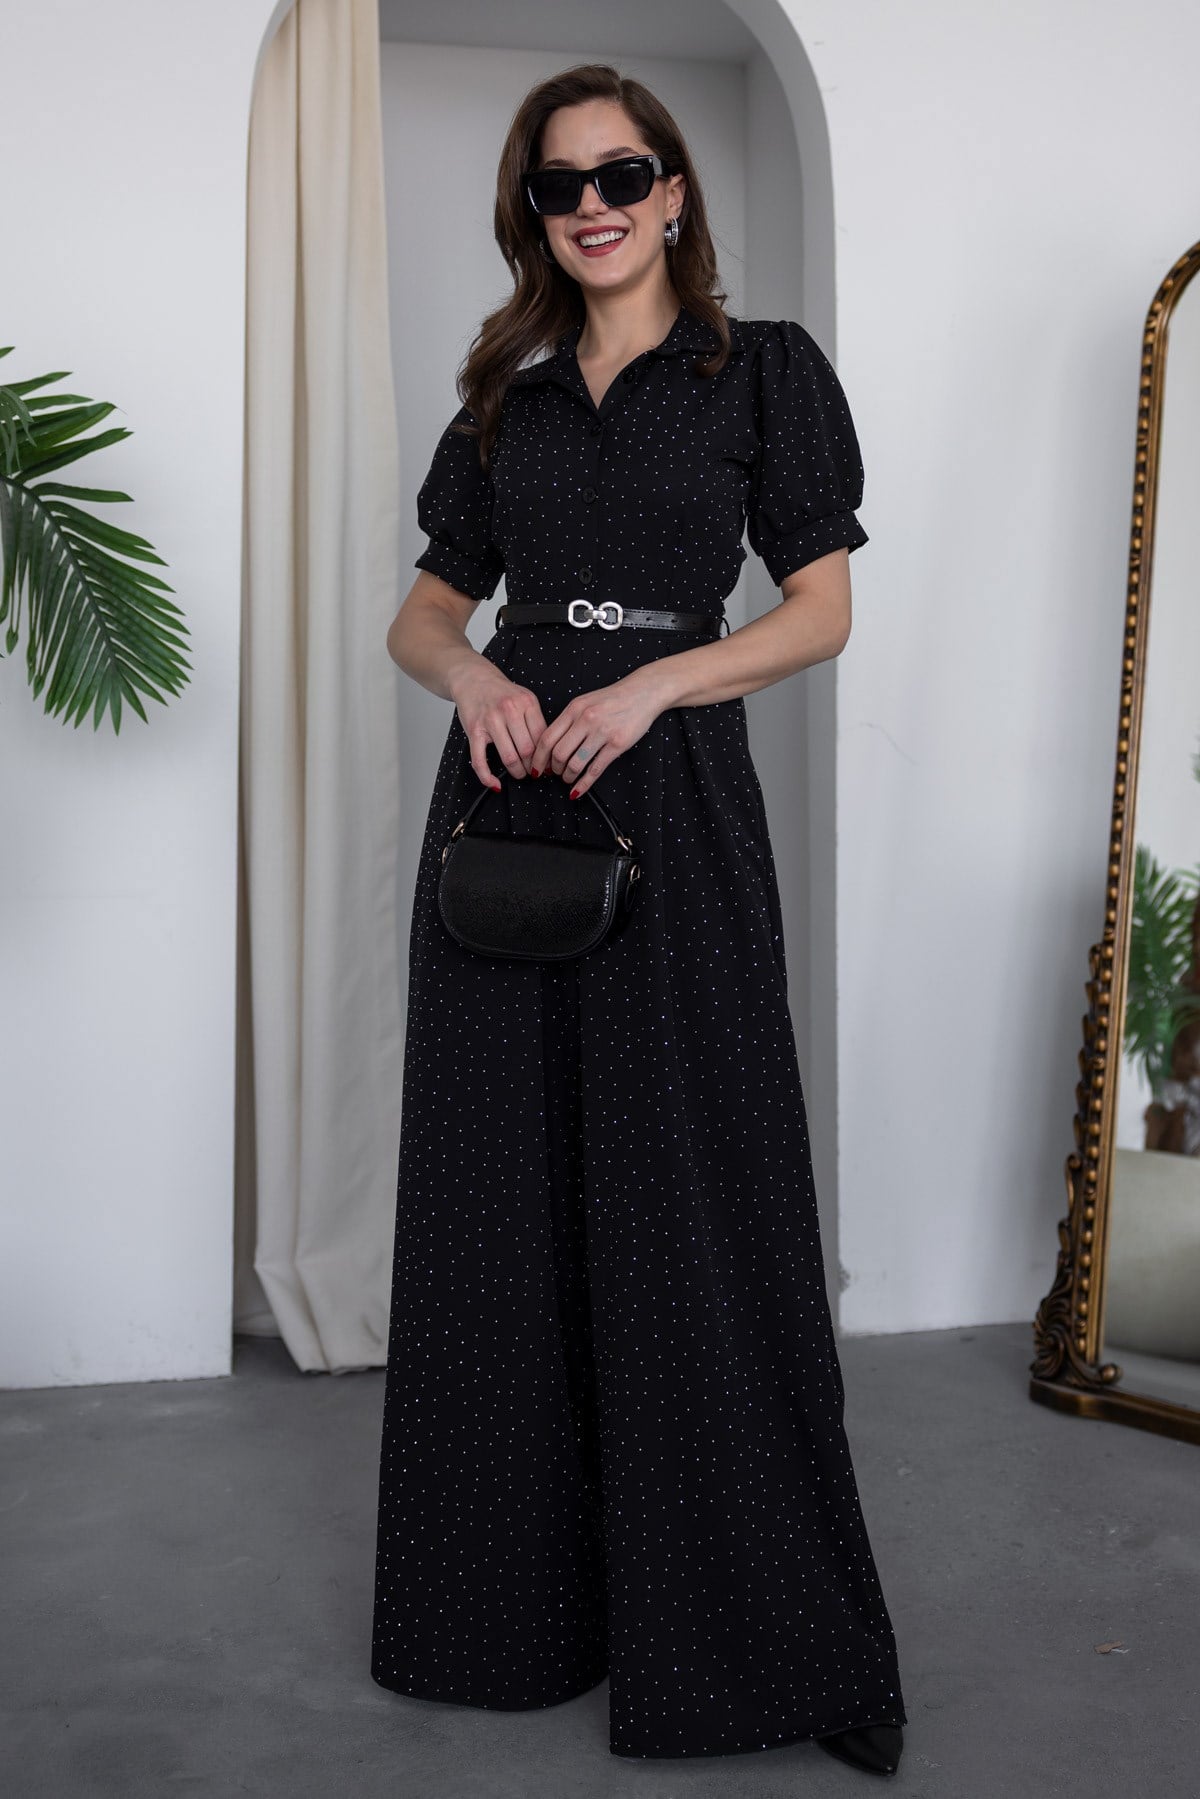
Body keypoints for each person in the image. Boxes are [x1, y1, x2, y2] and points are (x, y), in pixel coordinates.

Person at [370, 62, 907, 1779]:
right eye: (559, 185)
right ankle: (504, 1621)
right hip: (508, 805)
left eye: (621, 174)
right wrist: (475, 678)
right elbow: (424, 614)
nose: (591, 206)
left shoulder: (764, 372)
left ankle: (773, 1646)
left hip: (671, 802)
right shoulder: (505, 394)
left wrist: (659, 681)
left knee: (700, 1203)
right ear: (531, 214)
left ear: (674, 192)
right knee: (499, 1216)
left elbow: (819, 611)